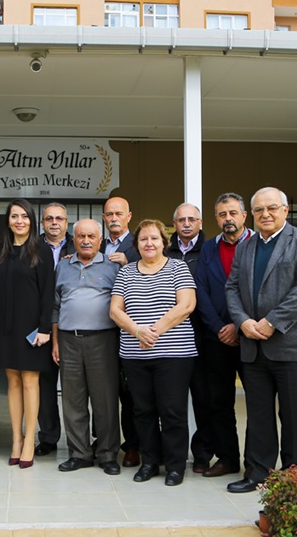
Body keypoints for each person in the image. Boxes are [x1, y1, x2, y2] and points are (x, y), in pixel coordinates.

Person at [224, 187, 297, 494]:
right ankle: (258, 473)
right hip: (254, 346)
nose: (266, 214)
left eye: (272, 208)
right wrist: (243, 321)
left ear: (284, 210)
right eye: (259, 210)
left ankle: (296, 478)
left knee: (296, 418)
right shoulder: (246, 246)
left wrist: (272, 322)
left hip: (292, 345)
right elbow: (231, 288)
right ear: (252, 214)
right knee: (259, 416)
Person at [109, 219, 197, 486]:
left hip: (174, 355)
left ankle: (174, 466)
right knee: (142, 411)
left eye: (154, 238)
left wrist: (154, 330)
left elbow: (187, 305)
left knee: (172, 411)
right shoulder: (126, 273)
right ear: (136, 244)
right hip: (135, 355)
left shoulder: (178, 268)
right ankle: (149, 462)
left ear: (163, 243)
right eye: (144, 239)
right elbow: (115, 310)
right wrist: (138, 331)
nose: (149, 243)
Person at [52, 219, 122, 475]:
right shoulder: (62, 266)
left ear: (100, 239)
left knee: (104, 400)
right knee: (73, 401)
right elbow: (55, 307)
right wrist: (56, 342)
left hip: (103, 340)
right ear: (74, 239)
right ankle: (79, 453)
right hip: (69, 340)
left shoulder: (114, 266)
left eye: (91, 236)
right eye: (81, 236)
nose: (86, 241)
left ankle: (107, 453)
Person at [192, 193, 253, 479]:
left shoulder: (256, 245)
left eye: (232, 213)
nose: (227, 219)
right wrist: (219, 327)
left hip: (252, 335)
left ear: (244, 215)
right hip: (217, 338)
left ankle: (256, 463)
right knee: (219, 401)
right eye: (222, 214)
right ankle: (228, 458)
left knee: (257, 402)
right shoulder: (209, 249)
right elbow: (200, 290)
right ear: (216, 219)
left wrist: (238, 325)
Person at [0, 199, 55, 469]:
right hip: (5, 327)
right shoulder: (1, 250)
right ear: (8, 220)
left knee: (30, 381)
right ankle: (16, 440)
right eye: (14, 216)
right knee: (13, 382)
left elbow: (47, 294)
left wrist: (44, 329)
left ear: (32, 220)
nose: (19, 221)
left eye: (24, 216)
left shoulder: (41, 250)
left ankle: (30, 439)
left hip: (32, 329)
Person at [165, 202, 213, 473]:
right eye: (181, 219)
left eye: (191, 219)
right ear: (174, 223)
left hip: (202, 335)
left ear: (200, 222)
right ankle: (172, 454)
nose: (186, 224)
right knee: (171, 401)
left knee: (204, 399)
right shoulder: (165, 251)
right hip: (169, 337)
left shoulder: (209, 249)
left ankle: (203, 453)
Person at [101, 196, 141, 467]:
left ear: (129, 216)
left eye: (119, 213)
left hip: (131, 327)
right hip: (102, 329)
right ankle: (102, 439)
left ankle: (132, 445)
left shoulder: (141, 245)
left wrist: (130, 263)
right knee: (103, 389)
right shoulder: (97, 244)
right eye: (109, 214)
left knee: (131, 393)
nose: (113, 218)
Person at [34, 202, 74, 457]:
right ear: (42, 223)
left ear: (66, 223)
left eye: (59, 218)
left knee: (75, 388)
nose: (54, 222)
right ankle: (48, 437)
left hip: (71, 326)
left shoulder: (80, 243)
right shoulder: (32, 247)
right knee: (44, 386)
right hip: (41, 325)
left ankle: (80, 440)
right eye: (49, 218)